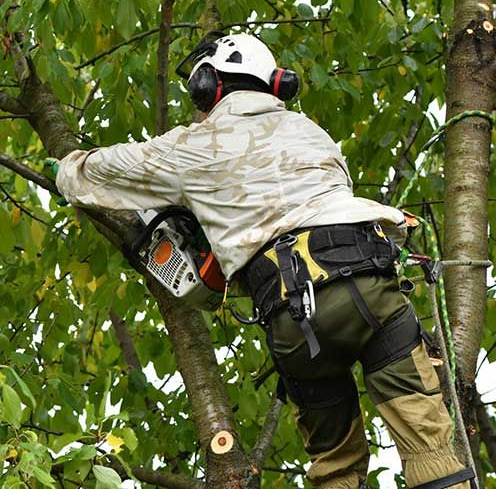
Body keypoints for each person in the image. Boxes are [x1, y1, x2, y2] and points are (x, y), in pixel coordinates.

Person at [55, 32, 473, 488]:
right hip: (373, 289)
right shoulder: (314, 133)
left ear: (209, 85)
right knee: (430, 444)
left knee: (335, 467)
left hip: (294, 316)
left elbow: (87, 174)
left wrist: (67, 166)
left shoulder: (194, 145)